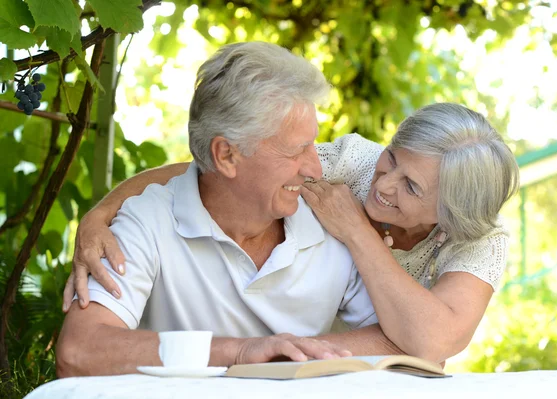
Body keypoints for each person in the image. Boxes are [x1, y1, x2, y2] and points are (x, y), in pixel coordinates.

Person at [56, 41, 405, 377]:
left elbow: (404, 342)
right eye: (296, 150)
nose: (314, 168)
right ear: (226, 155)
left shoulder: (330, 218)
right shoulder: (148, 220)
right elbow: (78, 352)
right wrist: (239, 353)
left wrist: (288, 354)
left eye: (313, 144)